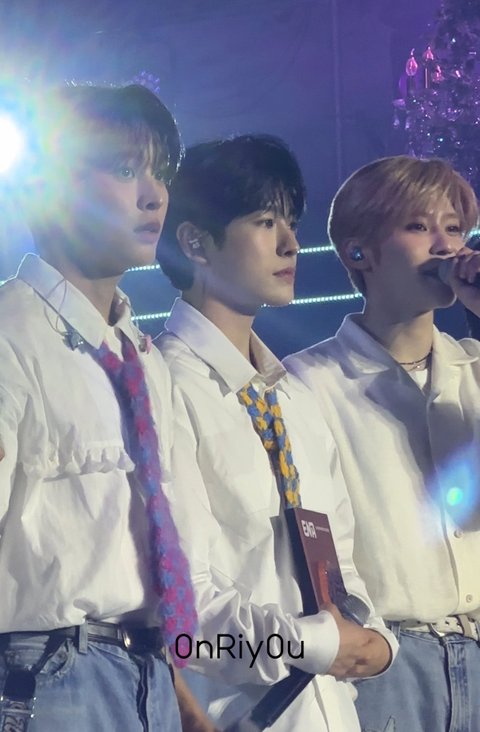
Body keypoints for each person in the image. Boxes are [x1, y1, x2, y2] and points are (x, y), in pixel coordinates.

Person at [156, 135, 397, 732]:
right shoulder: (164, 385)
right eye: (266, 222)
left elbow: (340, 557)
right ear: (196, 242)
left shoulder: (294, 398)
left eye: (292, 223)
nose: (291, 243)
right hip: (231, 714)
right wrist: (313, 643)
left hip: (333, 711)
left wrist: (374, 637)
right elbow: (183, 616)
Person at [0, 82, 216, 731]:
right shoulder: (11, 334)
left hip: (147, 674)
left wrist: (179, 699)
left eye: (160, 172)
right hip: (46, 677)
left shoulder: (142, 357)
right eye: (124, 170)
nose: (154, 195)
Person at [284, 155, 480, 732]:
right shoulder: (307, 383)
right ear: (358, 252)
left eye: (454, 228)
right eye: (419, 226)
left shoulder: (473, 369)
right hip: (388, 664)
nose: (445, 246)